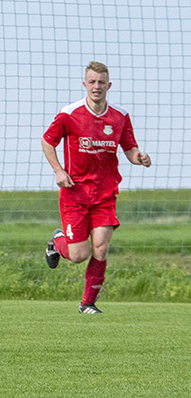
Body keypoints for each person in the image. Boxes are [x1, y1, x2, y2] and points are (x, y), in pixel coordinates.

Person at [41, 61, 151, 314]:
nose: (97, 86)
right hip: (75, 193)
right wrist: (58, 170)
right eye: (92, 82)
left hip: (104, 193)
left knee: (101, 246)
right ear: (85, 84)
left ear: (109, 85)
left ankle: (87, 303)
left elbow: (130, 148)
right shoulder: (70, 113)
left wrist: (140, 159)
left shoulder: (120, 116)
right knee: (79, 255)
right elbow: (48, 141)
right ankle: (57, 241)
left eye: (101, 82)